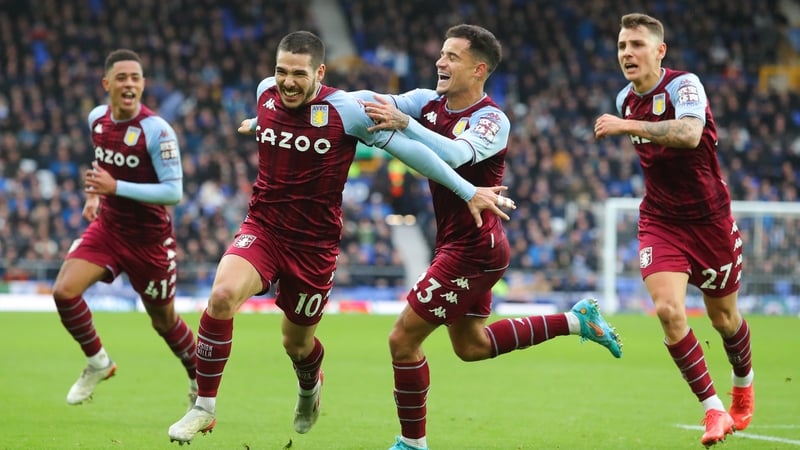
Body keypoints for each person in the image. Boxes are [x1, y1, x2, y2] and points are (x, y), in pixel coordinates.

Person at [166, 30, 515, 444]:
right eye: (281, 72)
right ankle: (204, 407)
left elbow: (413, 154)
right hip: (262, 228)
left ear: (320, 73)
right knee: (223, 295)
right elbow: (283, 117)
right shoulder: (264, 94)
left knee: (297, 344)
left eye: (298, 74)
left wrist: (467, 190)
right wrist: (260, 123)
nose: (287, 82)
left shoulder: (346, 111)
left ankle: (310, 383)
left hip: (314, 247)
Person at [358, 24, 622, 450]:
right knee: (472, 346)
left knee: (402, 340)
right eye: (441, 54)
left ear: (479, 69)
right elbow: (375, 102)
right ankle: (577, 320)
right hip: (458, 243)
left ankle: (412, 444)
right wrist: (322, 96)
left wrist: (405, 124)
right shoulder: (427, 101)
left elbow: (455, 154)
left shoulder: (491, 119)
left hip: (475, 248)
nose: (440, 62)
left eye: (452, 57)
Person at [594, 13, 754, 448]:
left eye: (637, 45)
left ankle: (743, 384)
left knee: (724, 319)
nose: (627, 53)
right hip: (661, 220)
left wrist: (628, 125)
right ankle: (714, 409)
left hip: (710, 220)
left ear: (659, 51)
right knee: (668, 311)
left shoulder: (684, 85)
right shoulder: (625, 98)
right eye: (622, 45)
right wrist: (628, 120)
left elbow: (689, 133)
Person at [52, 49, 197, 406]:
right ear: (107, 84)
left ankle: (199, 376)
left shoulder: (157, 131)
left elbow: (173, 192)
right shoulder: (97, 119)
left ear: (143, 84)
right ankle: (98, 362)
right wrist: (94, 195)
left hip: (150, 241)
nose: (129, 84)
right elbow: (102, 162)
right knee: (64, 292)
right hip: (109, 228)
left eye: (135, 78)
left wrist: (114, 187)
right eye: (121, 78)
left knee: (164, 321)